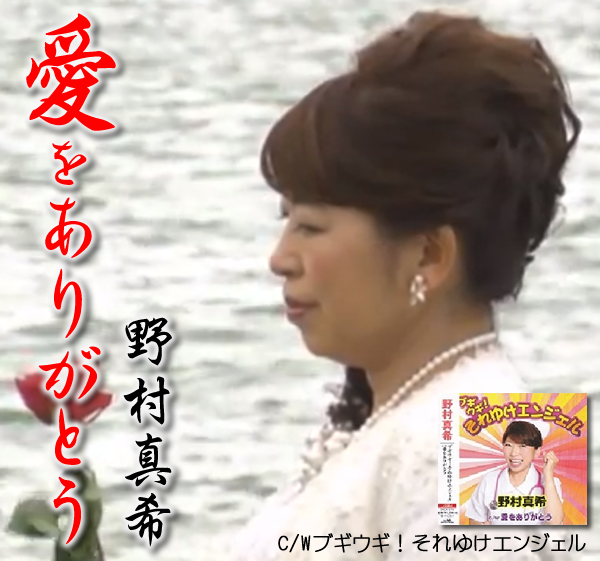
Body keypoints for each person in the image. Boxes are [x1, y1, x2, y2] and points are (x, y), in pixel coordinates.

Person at [231, 10, 580, 561]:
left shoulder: (490, 429)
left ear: (430, 254)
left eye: (311, 227)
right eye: (286, 218)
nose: (280, 259)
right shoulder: (408, 414)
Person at [466, 420, 564, 525]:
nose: (514, 453)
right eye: (509, 445)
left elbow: (554, 523)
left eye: (523, 446)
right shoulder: (489, 480)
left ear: (537, 452)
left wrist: (548, 476)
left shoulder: (550, 483)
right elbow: (474, 520)